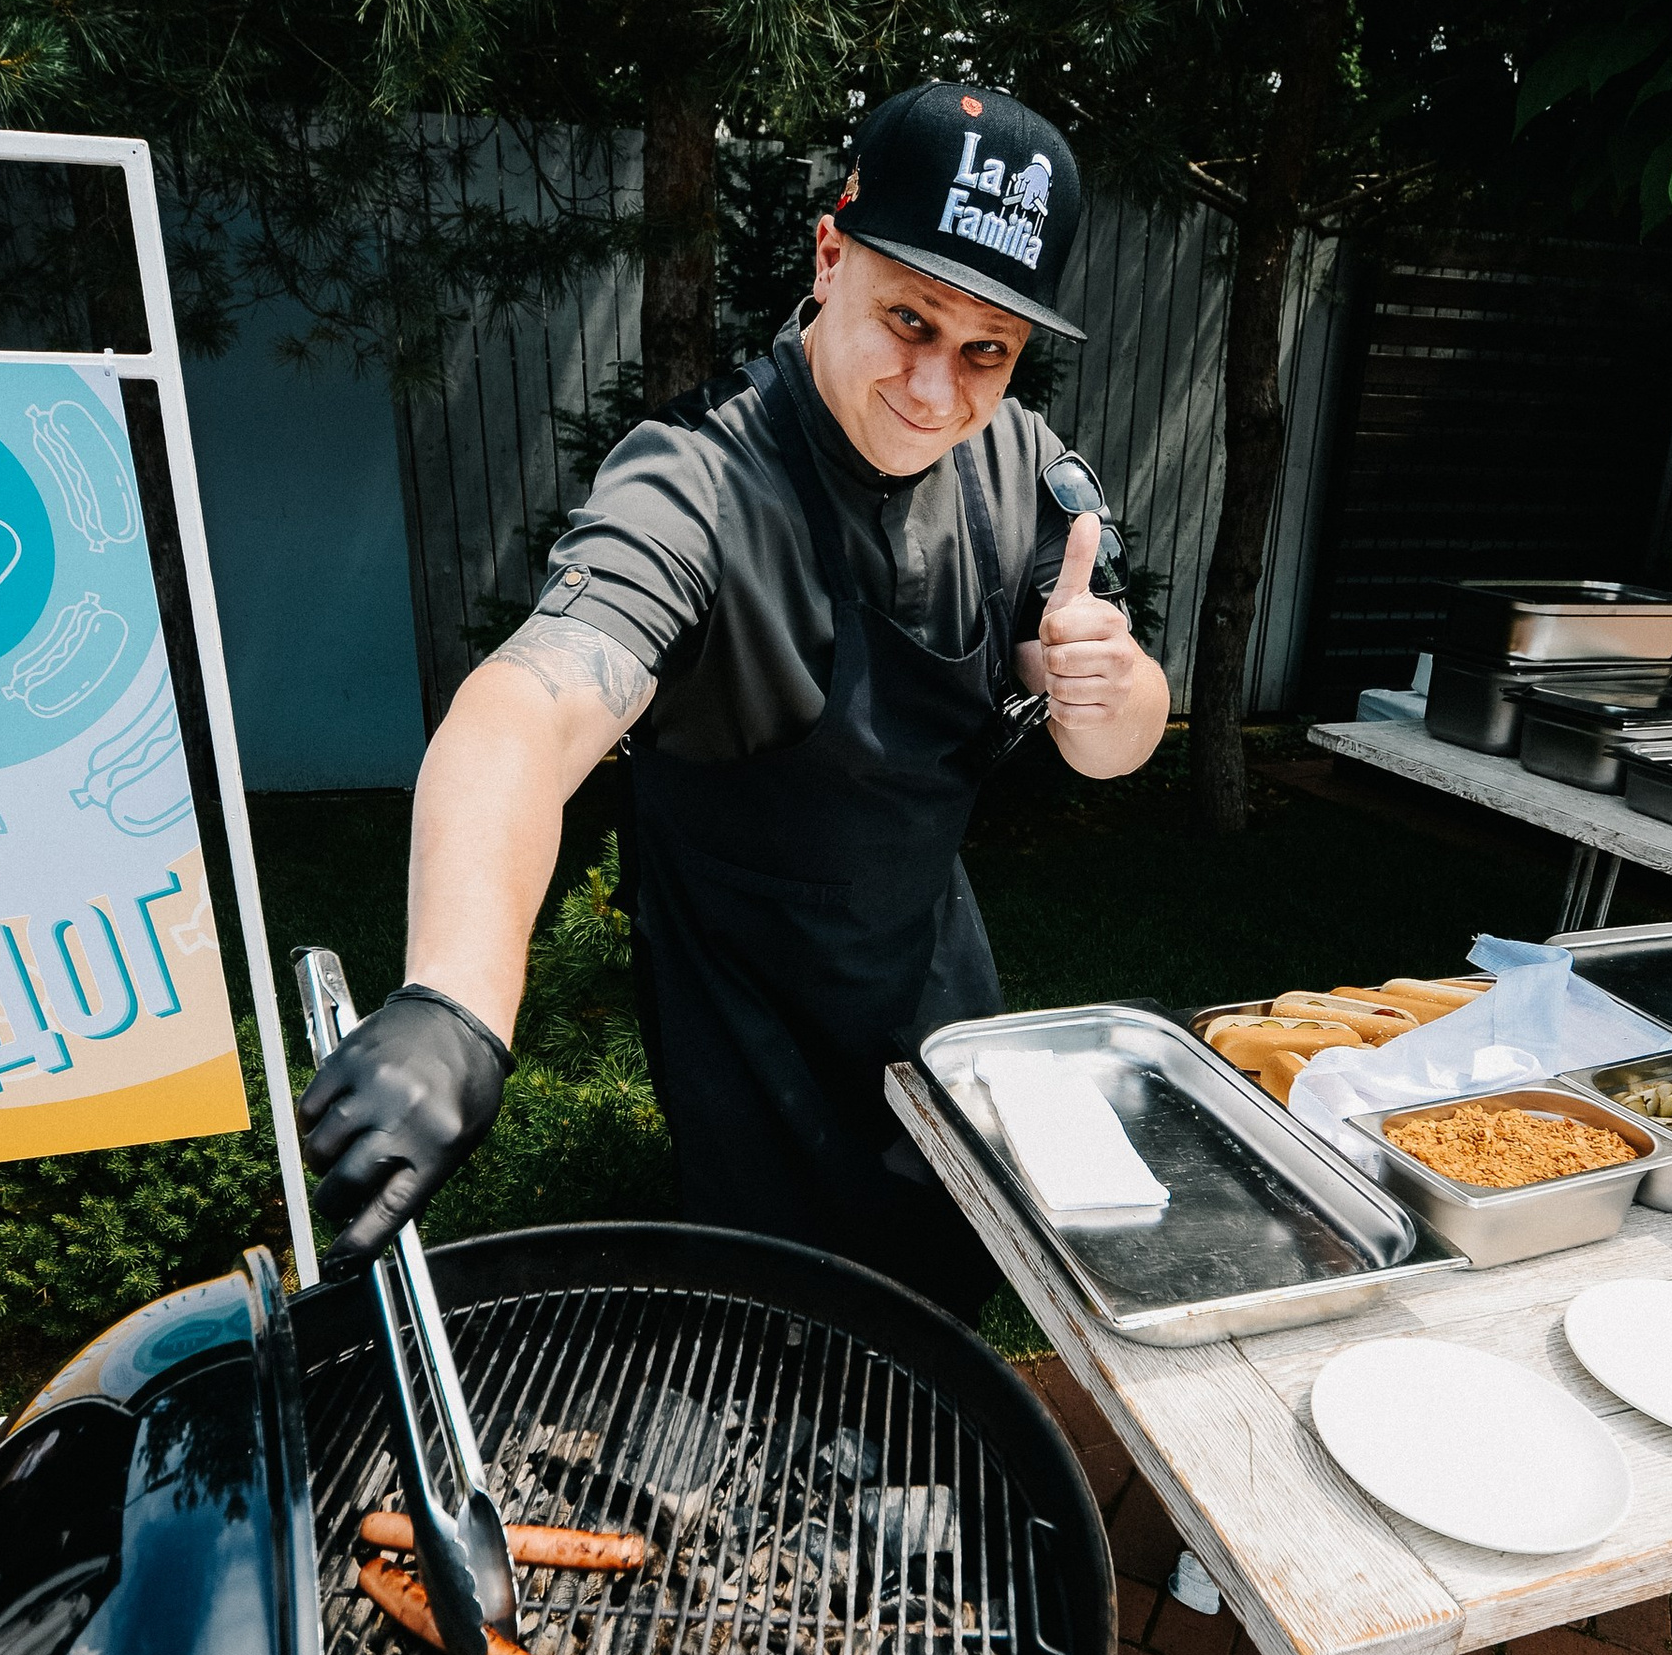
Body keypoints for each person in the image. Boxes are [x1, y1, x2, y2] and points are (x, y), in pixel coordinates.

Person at [300, 78, 1171, 1310]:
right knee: (774, 1306)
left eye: (987, 350)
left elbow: (1110, 744)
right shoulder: (695, 484)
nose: (936, 392)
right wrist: (453, 998)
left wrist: (1112, 683)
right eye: (910, 320)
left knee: (939, 1299)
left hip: (928, 979)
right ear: (830, 254)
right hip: (743, 1010)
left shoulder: (1017, 462)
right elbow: (527, 706)